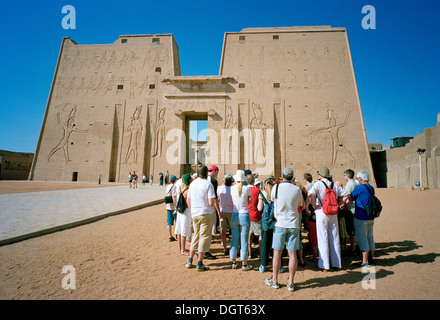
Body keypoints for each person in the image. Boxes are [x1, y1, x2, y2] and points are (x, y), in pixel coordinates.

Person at [264, 168, 304, 291]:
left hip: (280, 223)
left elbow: (272, 200)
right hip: (293, 224)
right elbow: (300, 205)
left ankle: (275, 280)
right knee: (292, 254)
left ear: (282, 176)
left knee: (277, 253)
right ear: (292, 176)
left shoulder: (276, 188)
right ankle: (291, 282)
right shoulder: (297, 189)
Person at [308, 167, 349, 271]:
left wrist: (314, 204)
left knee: (323, 238)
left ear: (321, 175)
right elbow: (346, 195)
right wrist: (339, 204)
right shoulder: (334, 185)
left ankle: (324, 265)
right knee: (334, 237)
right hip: (333, 212)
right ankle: (336, 264)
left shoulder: (318, 184)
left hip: (322, 211)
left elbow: (309, 194)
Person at [186, 166, 217, 271]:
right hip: (205, 213)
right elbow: (211, 202)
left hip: (194, 214)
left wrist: (194, 210)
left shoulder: (192, 184)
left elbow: (188, 201)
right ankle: (200, 262)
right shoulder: (208, 184)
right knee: (204, 237)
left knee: (196, 236)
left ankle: (189, 260)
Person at [349, 170, 376, 267]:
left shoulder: (359, 187)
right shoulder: (371, 188)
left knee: (362, 238)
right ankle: (371, 258)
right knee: (370, 237)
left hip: (361, 216)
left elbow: (351, 197)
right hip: (370, 216)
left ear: (360, 178)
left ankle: (365, 261)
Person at [230, 170, 253, 271]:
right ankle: (244, 263)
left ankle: (234, 262)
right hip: (244, 214)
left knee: (234, 239)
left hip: (235, 214)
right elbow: (250, 200)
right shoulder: (246, 188)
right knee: (244, 240)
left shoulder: (232, 188)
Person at [257, 178, 275, 272]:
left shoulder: (262, 194)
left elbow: (259, 208)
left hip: (265, 222)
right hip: (275, 222)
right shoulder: (275, 194)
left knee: (264, 243)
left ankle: (263, 265)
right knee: (275, 244)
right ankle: (277, 265)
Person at [217, 173, 234, 255]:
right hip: (231, 211)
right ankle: (234, 247)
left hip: (223, 210)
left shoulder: (220, 188)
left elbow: (217, 199)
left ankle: (224, 248)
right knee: (234, 231)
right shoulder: (233, 188)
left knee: (223, 231)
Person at [175, 174, 192, 255]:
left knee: (179, 231)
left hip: (180, 211)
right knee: (184, 232)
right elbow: (189, 203)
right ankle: (183, 250)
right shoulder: (189, 190)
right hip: (186, 212)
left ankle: (180, 248)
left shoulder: (180, 188)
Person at [344, 169, 359, 255]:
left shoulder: (349, 185)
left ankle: (353, 249)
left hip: (351, 210)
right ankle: (357, 246)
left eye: (344, 175)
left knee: (352, 231)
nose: (344, 177)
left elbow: (347, 198)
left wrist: (345, 208)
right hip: (356, 209)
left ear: (347, 176)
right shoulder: (356, 183)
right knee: (356, 229)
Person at [247, 175, 262, 259]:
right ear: (253, 182)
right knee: (259, 235)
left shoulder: (244, 189)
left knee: (249, 235)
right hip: (256, 215)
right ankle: (261, 253)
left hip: (247, 215)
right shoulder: (257, 190)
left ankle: (249, 253)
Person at [165, 175, 178, 241]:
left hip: (168, 206)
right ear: (174, 180)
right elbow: (174, 197)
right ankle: (177, 234)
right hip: (173, 206)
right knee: (177, 221)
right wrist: (175, 206)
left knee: (169, 222)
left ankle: (170, 236)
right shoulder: (174, 186)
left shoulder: (167, 186)